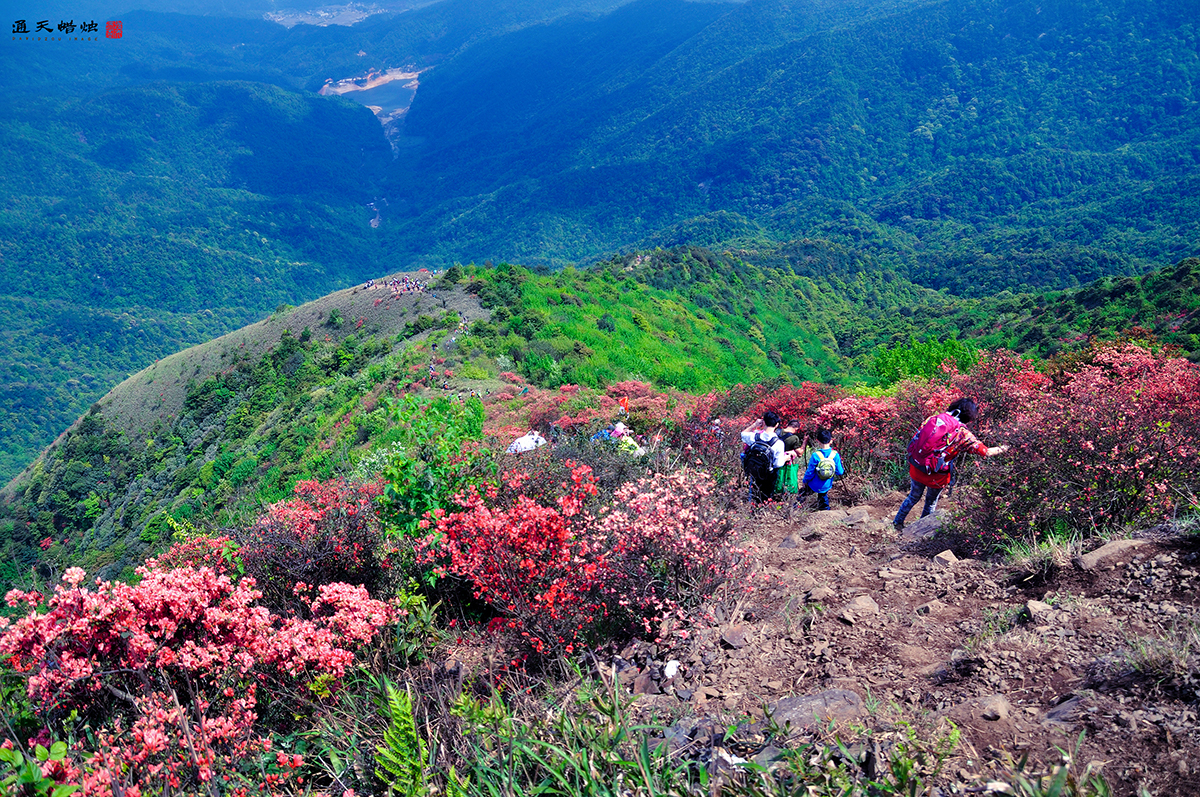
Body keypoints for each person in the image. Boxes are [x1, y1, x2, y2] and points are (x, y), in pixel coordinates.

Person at [894, 397, 1009, 531]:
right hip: (937, 475)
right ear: (969, 417)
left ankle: (897, 523)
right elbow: (986, 452)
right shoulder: (963, 434)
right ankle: (920, 531)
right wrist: (1007, 447)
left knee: (913, 496)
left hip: (917, 467)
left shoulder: (933, 419)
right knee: (930, 502)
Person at [741, 411, 788, 502]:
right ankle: (762, 512)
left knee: (754, 492)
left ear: (764, 422)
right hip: (769, 475)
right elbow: (777, 464)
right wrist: (785, 458)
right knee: (766, 496)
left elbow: (742, 434)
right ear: (777, 424)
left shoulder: (755, 437)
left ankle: (752, 510)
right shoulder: (778, 443)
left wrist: (754, 425)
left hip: (755, 470)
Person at [802, 428, 844, 510]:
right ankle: (825, 510)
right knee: (823, 497)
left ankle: (795, 507)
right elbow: (840, 472)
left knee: (802, 495)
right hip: (826, 485)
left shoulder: (815, 455)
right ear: (831, 441)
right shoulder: (835, 455)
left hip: (813, 484)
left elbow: (810, 472)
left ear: (818, 441)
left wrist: (805, 481)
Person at [778, 419, 803, 495]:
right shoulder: (794, 438)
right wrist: (805, 441)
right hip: (786, 463)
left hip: (774, 460)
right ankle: (786, 495)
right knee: (786, 479)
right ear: (796, 428)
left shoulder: (777, 432)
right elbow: (800, 453)